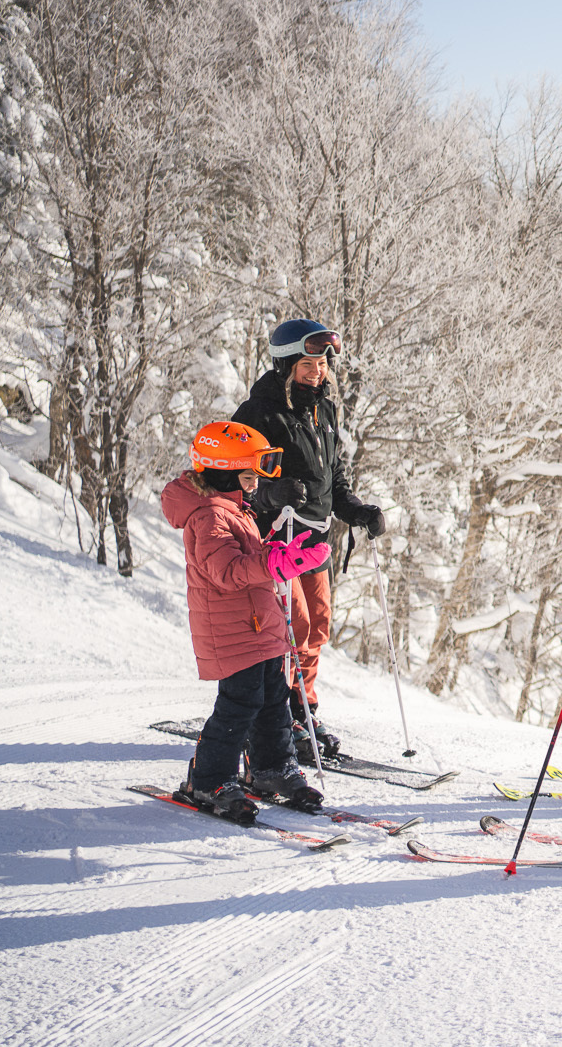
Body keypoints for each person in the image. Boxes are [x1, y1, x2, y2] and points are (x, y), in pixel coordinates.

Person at [161, 421, 331, 821]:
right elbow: (227, 571)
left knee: (275, 700)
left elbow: (248, 561)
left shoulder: (233, 511)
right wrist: (276, 562)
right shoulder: (208, 518)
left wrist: (278, 551)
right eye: (249, 475)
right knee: (240, 705)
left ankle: (272, 768)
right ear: (223, 472)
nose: (255, 484)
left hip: (260, 627)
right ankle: (209, 778)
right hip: (233, 633)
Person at [231, 317, 383, 763]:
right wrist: (266, 492)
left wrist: (356, 509)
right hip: (276, 541)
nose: (317, 371)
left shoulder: (325, 410)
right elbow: (228, 478)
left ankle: (302, 708)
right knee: (291, 627)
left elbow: (333, 478)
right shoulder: (258, 414)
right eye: (307, 364)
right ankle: (276, 719)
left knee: (316, 626)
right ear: (285, 365)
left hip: (315, 541)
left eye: (322, 363)